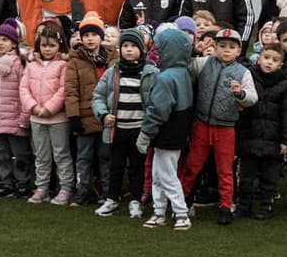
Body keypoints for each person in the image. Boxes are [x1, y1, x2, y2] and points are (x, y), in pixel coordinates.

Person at [184, 26, 257, 224]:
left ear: (239, 51)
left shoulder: (243, 72)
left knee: (224, 169)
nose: (226, 50)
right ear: (214, 47)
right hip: (202, 124)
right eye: (222, 46)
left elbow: (252, 97)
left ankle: (225, 206)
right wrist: (195, 50)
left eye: (231, 47)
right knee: (192, 165)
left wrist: (241, 94)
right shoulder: (204, 62)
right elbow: (186, 65)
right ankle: (184, 200)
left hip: (226, 128)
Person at [136, 24, 196, 229]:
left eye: (159, 48)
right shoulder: (183, 73)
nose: (156, 52)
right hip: (178, 132)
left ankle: (181, 213)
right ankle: (159, 212)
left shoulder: (166, 78)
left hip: (167, 133)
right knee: (158, 174)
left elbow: (157, 111)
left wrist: (145, 134)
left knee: (166, 175)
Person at [91, 28, 153, 218]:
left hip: (139, 129)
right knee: (115, 166)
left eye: (133, 46)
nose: (129, 49)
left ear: (142, 49)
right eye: (125, 45)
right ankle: (112, 199)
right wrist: (103, 115)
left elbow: (155, 100)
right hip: (117, 129)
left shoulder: (150, 72)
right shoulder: (112, 72)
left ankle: (135, 201)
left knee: (137, 167)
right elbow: (98, 96)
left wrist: (149, 123)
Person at [234, 39, 287, 221]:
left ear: (280, 64)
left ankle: (266, 205)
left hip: (272, 140)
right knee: (246, 176)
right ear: (258, 59)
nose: (269, 62)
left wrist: (286, 140)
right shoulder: (249, 78)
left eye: (274, 60)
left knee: (269, 177)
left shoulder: (285, 85)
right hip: (249, 136)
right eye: (266, 57)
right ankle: (244, 205)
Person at [22, 22, 77, 205]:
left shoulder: (64, 64)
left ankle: (65, 188)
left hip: (58, 119)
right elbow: (23, 88)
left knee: (61, 154)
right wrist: (34, 107)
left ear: (60, 45)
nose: (47, 49)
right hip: (36, 117)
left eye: (52, 45)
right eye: (44, 45)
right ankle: (42, 188)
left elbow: (63, 90)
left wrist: (49, 108)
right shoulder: (31, 65)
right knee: (41, 155)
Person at [0, 20, 33, 200]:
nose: (0, 43)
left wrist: (24, 116)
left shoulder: (19, 62)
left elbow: (25, 90)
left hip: (15, 116)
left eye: (5, 40)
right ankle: (5, 183)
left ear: (13, 43)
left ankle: (22, 182)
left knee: (20, 154)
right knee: (1, 154)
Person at [66, 14, 109, 205]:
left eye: (94, 34)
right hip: (84, 117)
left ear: (101, 36)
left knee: (105, 157)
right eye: (86, 35)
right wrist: (74, 116)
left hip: (106, 117)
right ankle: (81, 191)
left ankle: (107, 192)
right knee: (83, 157)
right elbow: (71, 91)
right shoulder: (75, 60)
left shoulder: (111, 58)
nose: (90, 39)